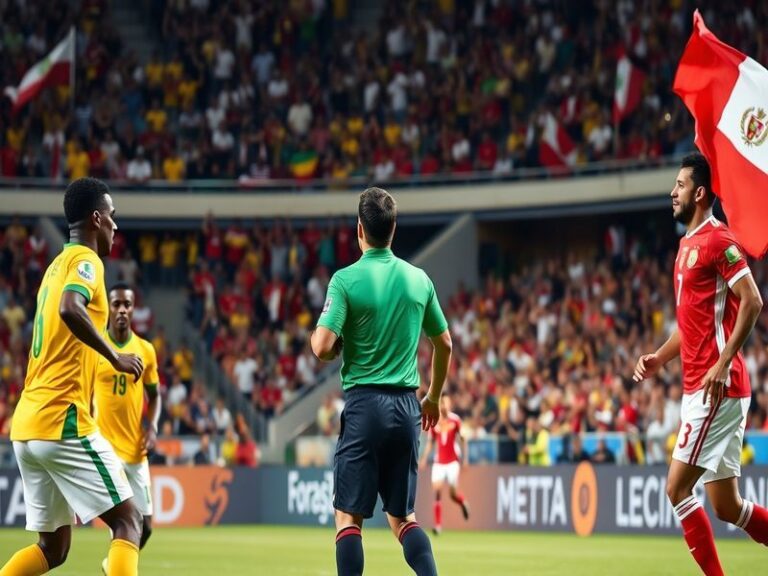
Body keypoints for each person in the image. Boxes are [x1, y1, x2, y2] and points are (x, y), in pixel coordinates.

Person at [2, 177, 144, 576]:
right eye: (112, 217)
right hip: (60, 418)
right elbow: (69, 308)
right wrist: (115, 354)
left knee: (54, 547)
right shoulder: (87, 261)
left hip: (27, 425)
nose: (116, 226)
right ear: (96, 218)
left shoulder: (54, 267)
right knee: (128, 522)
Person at [633, 153, 767, 576]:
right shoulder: (687, 245)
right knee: (727, 506)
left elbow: (753, 300)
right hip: (703, 387)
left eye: (680, 185)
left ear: (700, 193)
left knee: (676, 488)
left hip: (715, 389)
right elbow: (689, 326)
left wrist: (724, 362)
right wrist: (659, 357)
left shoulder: (718, 240)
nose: (673, 192)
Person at [311, 187, 451, 576]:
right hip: (407, 407)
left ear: (360, 229)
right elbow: (445, 344)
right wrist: (434, 398)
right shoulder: (418, 279)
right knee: (403, 518)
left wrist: (322, 339)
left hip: (365, 404)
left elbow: (322, 347)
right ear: (393, 229)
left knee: (348, 519)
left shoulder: (345, 280)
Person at [94, 283, 161, 574]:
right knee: (123, 521)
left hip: (136, 450)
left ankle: (113, 566)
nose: (122, 310)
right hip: (106, 448)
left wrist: (154, 427)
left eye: (127, 305)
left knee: (145, 528)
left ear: (134, 309)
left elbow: (155, 395)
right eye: (117, 303)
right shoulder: (95, 348)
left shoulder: (145, 350)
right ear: (109, 306)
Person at [418, 395, 470, 535]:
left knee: (452, 494)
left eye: (445, 402)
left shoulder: (455, 420)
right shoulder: (435, 420)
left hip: (453, 461)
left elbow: (463, 439)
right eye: (441, 403)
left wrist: (465, 459)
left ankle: (462, 502)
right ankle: (438, 525)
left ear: (450, 404)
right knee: (437, 489)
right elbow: (431, 442)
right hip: (439, 461)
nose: (443, 406)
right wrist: (423, 458)